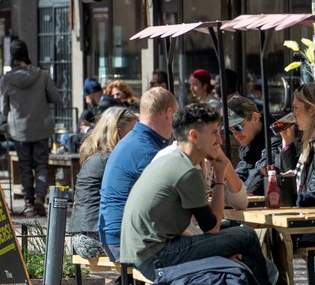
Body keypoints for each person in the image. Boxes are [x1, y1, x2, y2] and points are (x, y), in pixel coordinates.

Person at [119, 103, 270, 285]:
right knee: (246, 236)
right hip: (158, 258)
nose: (220, 140)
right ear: (194, 136)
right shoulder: (187, 171)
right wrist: (220, 177)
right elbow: (212, 227)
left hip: (147, 254)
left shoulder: (172, 159)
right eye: (214, 133)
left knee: (240, 246)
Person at [98, 87, 177, 260]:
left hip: (114, 238)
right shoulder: (148, 150)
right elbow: (170, 203)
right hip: (127, 242)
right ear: (169, 113)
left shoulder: (134, 140)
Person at [67, 107, 138, 259]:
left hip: (80, 236)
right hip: (95, 237)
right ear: (118, 131)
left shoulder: (96, 156)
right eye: (133, 131)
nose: (136, 136)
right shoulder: (111, 160)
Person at [0, 39, 59, 217]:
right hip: (41, 127)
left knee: (25, 166)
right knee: (41, 164)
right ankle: (40, 197)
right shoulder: (42, 75)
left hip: (19, 130)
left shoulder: (7, 79)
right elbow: (56, 97)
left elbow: (3, 107)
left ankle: (28, 203)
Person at [228, 95, 296, 196]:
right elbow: (243, 168)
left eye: (238, 127)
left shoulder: (277, 136)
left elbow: (258, 175)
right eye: (231, 129)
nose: (235, 134)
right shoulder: (250, 140)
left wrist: (236, 192)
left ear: (255, 118)